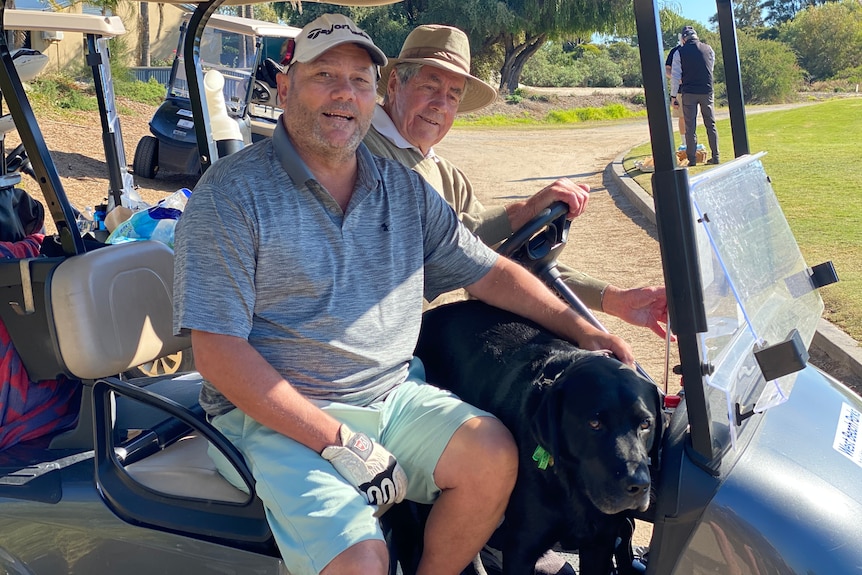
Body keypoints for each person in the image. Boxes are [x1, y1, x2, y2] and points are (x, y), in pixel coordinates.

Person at [172, 13, 633, 575]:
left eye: (359, 81)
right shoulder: (232, 194)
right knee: (361, 561)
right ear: (286, 85)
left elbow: (485, 270)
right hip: (277, 418)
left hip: (390, 396)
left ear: (375, 94)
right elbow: (217, 352)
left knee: (493, 457)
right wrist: (338, 440)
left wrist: (586, 331)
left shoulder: (402, 187)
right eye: (325, 76)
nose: (345, 94)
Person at [364, 24, 670, 339]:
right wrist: (522, 211)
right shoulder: (362, 151)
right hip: (377, 345)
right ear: (395, 84)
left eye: (453, 94)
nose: (441, 104)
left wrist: (613, 299)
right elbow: (433, 246)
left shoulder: (447, 175)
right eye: (430, 86)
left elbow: (502, 257)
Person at [670, 26, 719, 166]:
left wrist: (673, 96)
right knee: (711, 124)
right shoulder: (709, 49)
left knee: (690, 127)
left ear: (684, 39)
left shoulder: (679, 52)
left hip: (689, 92)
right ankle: (716, 156)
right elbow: (711, 68)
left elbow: (675, 76)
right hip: (707, 90)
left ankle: (691, 160)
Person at [665, 32, 686, 140]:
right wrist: (676, 79)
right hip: (679, 90)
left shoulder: (697, 49)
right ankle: (684, 143)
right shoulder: (675, 51)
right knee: (682, 116)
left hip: (693, 88)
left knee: (692, 117)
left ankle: (693, 142)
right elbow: (667, 69)